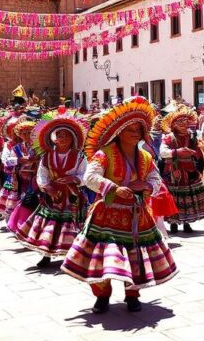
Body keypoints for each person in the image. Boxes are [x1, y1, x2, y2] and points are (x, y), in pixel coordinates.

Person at [62, 97, 177, 313]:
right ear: (119, 131)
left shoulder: (144, 156)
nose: (135, 133)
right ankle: (102, 296)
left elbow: (156, 178)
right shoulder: (103, 154)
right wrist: (113, 188)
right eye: (130, 129)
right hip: (107, 215)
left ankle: (132, 294)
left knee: (136, 255)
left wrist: (147, 187)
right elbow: (90, 177)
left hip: (137, 215)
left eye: (138, 129)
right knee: (103, 255)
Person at [9, 114, 88, 268]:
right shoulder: (47, 156)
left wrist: (75, 180)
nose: (63, 138)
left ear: (73, 138)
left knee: (72, 224)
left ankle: (72, 255)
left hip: (72, 196)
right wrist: (47, 187)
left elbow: (85, 174)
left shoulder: (79, 156)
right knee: (49, 225)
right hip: (52, 196)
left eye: (67, 135)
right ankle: (46, 253)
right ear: (54, 138)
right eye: (59, 135)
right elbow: (42, 175)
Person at [158, 105, 204, 233]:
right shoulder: (168, 137)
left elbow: (198, 152)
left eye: (186, 122)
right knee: (174, 197)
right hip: (173, 171)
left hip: (189, 170)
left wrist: (197, 151)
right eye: (180, 122)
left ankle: (187, 222)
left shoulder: (192, 137)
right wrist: (177, 152)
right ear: (173, 124)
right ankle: (173, 223)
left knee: (189, 197)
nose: (183, 125)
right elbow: (163, 152)